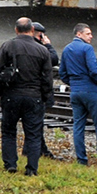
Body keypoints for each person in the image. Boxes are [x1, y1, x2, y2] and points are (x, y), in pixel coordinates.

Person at [0, 17, 54, 176]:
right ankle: (31, 169)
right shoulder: (42, 50)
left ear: (16, 30)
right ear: (33, 30)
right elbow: (47, 78)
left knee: (9, 131)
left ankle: (10, 164)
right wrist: (46, 97)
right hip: (34, 97)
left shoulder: (8, 46)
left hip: (11, 95)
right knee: (33, 134)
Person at [59, 23, 97, 166]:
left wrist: (74, 83)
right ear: (79, 34)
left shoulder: (67, 49)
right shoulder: (87, 48)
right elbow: (93, 70)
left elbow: (62, 73)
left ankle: (81, 159)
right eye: (88, 33)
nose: (91, 36)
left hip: (75, 92)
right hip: (91, 90)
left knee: (78, 125)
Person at [32, 21, 60, 158]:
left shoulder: (14, 45)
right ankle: (39, 151)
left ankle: (31, 150)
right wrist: (48, 44)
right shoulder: (41, 49)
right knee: (36, 124)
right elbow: (54, 59)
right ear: (40, 35)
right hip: (37, 92)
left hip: (20, 92)